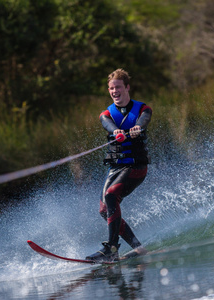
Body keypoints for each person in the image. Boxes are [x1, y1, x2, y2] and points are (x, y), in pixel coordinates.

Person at [86, 69, 152, 262]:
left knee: (110, 195)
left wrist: (138, 127)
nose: (115, 91)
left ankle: (112, 249)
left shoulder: (143, 109)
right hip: (115, 168)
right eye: (111, 88)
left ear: (127, 87)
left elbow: (144, 119)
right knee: (104, 209)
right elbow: (107, 123)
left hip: (136, 168)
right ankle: (138, 248)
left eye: (118, 87)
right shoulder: (106, 114)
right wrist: (116, 131)